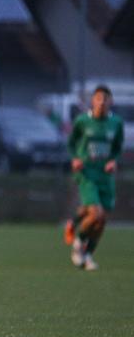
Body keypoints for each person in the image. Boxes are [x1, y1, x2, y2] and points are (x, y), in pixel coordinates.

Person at [63, 85, 123, 271]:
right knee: (95, 214)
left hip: (105, 176)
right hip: (87, 173)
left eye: (106, 98)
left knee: (101, 220)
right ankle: (78, 245)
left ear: (110, 101)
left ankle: (87, 254)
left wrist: (113, 160)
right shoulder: (82, 121)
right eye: (98, 98)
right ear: (92, 101)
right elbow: (71, 143)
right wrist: (75, 159)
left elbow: (117, 147)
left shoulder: (116, 123)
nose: (102, 102)